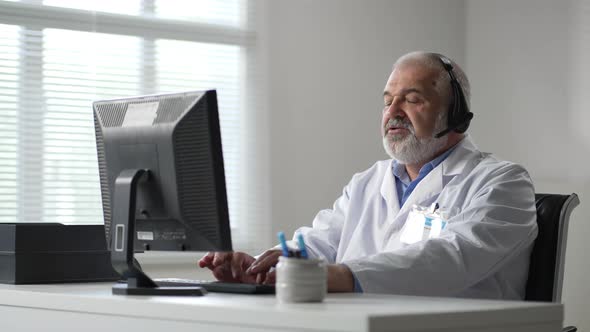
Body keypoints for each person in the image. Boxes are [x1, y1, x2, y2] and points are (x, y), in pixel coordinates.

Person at [199, 51, 538, 299]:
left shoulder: (503, 183)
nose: (393, 112)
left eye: (412, 99)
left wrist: (343, 275)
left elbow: (453, 258)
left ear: (456, 114)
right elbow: (320, 242)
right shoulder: (368, 182)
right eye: (388, 101)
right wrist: (267, 266)